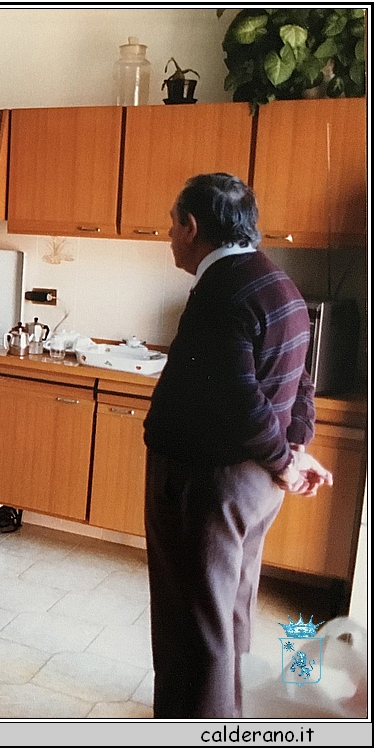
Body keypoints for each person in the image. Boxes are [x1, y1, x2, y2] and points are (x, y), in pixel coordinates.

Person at [143, 173, 334, 718]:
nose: (169, 236)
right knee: (229, 612)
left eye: (172, 224)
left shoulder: (221, 291)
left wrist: (285, 459)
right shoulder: (277, 282)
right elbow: (302, 381)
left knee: (192, 620)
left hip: (207, 482)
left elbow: (241, 402)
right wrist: (293, 451)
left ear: (192, 226)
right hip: (253, 485)